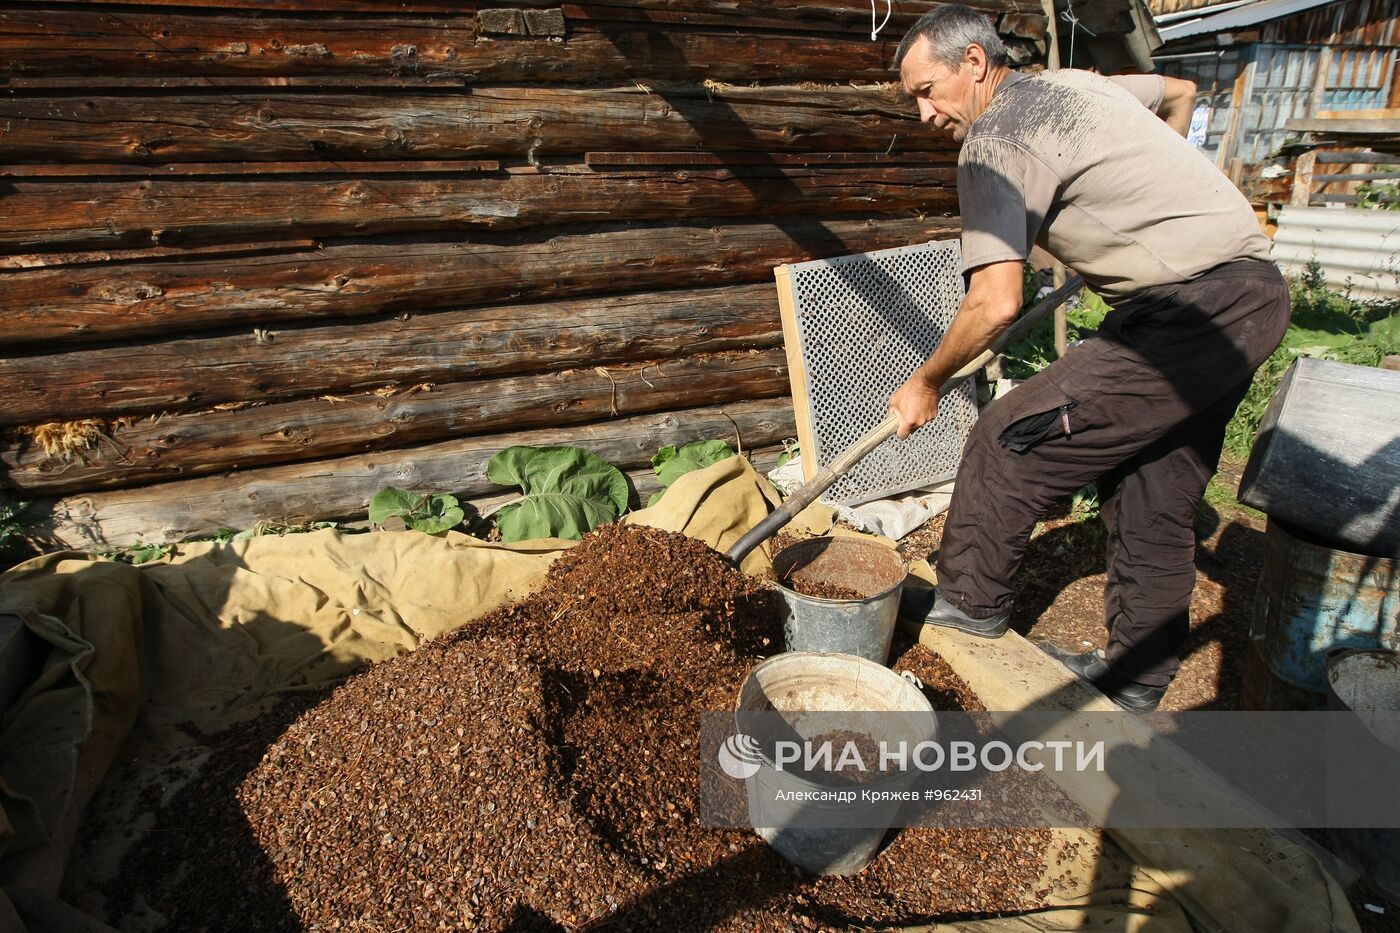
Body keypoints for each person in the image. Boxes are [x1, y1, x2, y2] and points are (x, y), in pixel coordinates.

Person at [887, 5, 1289, 712]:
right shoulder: (1078, 85)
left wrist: (926, 381)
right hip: (1252, 297)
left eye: (927, 89)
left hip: (1189, 314)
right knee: (1152, 491)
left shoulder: (994, 140)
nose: (924, 113)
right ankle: (1135, 678)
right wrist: (1148, 210)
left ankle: (965, 619)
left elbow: (995, 303)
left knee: (1008, 439)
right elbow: (1179, 93)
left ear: (975, 64)